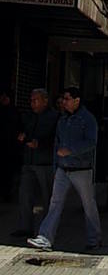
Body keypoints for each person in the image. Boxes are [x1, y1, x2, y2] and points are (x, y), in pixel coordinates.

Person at [27, 87, 101, 252]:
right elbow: (56, 145)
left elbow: (91, 142)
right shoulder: (63, 120)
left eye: (67, 99)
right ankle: (45, 237)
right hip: (63, 168)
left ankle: (94, 238)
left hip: (81, 169)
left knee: (88, 204)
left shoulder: (87, 119)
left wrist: (71, 150)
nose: (64, 102)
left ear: (77, 100)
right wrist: (56, 167)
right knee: (55, 203)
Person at [12, 89, 59, 238]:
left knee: (47, 198)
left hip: (45, 162)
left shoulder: (54, 117)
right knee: (25, 195)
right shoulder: (28, 116)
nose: (33, 103)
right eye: (31, 100)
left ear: (45, 100)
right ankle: (25, 227)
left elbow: (55, 139)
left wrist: (40, 144)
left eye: (36, 100)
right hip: (29, 160)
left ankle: (46, 230)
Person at [0, 88, 21, 201]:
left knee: (8, 172)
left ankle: (7, 193)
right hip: (5, 147)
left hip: (10, 148)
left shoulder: (13, 112)